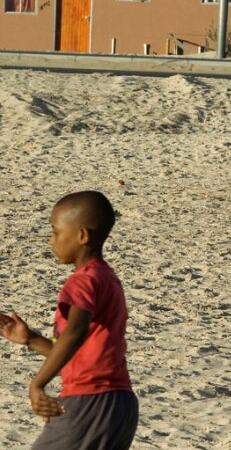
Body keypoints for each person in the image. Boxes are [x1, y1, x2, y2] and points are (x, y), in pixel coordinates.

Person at [0, 191, 138, 449]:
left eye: (55, 232)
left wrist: (37, 384)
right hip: (121, 404)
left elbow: (75, 332)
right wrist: (30, 339)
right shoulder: (107, 278)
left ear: (82, 235)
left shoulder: (82, 281)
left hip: (90, 401)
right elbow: (75, 350)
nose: (52, 241)